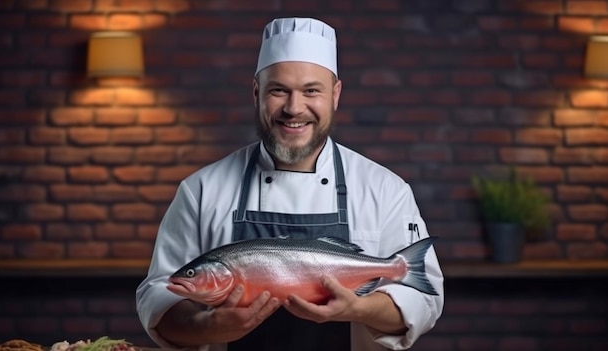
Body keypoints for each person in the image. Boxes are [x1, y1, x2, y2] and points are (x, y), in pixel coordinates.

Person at [136, 17, 444, 351]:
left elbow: (424, 301)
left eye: (311, 90)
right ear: (256, 93)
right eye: (278, 90)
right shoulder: (201, 190)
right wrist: (206, 327)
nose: (294, 108)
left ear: (335, 94)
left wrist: (360, 308)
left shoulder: (385, 189)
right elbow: (159, 293)